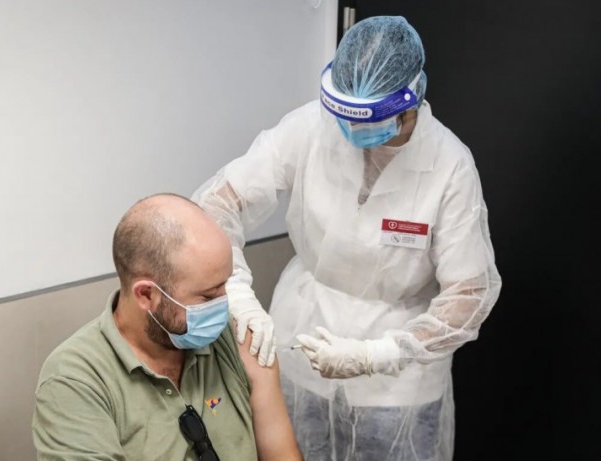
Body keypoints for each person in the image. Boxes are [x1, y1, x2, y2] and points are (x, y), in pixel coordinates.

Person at [192, 16, 502, 461]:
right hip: (301, 337)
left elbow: (469, 294)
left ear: (410, 103)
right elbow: (217, 204)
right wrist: (236, 294)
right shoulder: (309, 127)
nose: (353, 135)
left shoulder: (449, 166)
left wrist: (380, 354)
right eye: (344, 118)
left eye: (369, 121)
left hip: (397, 379)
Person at [32, 193, 302, 461]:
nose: (224, 304)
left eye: (226, 284)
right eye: (207, 296)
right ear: (146, 295)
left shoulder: (239, 339)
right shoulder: (75, 379)